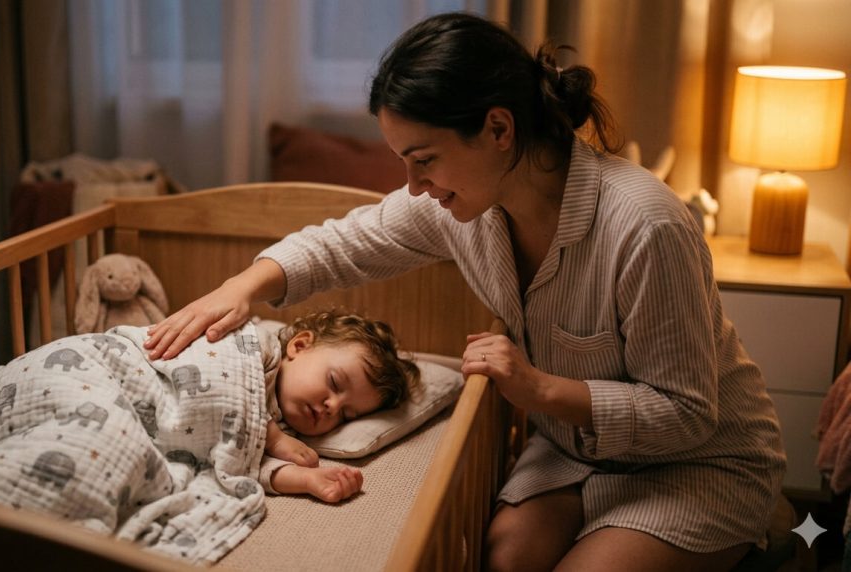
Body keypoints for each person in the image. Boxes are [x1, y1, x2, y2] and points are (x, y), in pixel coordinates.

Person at [146, 11, 785, 571]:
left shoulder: (646, 226)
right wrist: (241, 287)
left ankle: (779, 531)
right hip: (576, 449)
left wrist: (537, 390)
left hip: (700, 459)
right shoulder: (468, 207)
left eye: (424, 159)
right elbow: (344, 243)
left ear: (499, 129)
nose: (414, 185)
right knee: (506, 558)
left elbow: (685, 413)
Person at [251, 309, 419, 503]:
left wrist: (305, 479)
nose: (332, 406)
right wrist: (273, 438)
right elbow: (221, 380)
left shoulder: (289, 436)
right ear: (299, 346)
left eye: (345, 415)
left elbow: (246, 467)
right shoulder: (259, 349)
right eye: (334, 382)